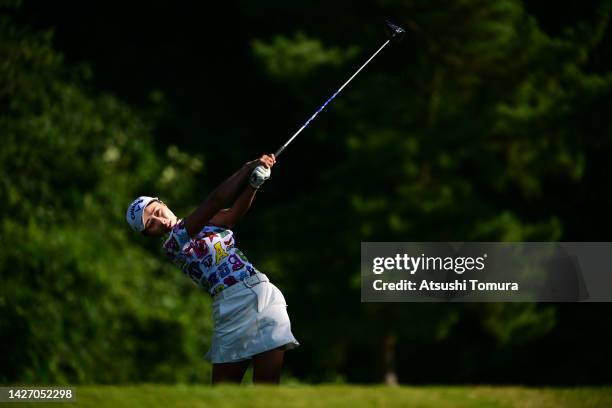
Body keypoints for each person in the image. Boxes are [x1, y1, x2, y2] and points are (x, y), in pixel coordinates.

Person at [125, 154, 299, 384]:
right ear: (149, 234)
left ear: (163, 204)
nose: (160, 220)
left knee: (266, 391)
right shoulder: (173, 243)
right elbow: (215, 201)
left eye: (157, 212)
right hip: (229, 307)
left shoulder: (201, 222)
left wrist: (255, 183)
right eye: (151, 224)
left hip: (261, 292)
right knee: (222, 394)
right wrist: (248, 167)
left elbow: (232, 215)